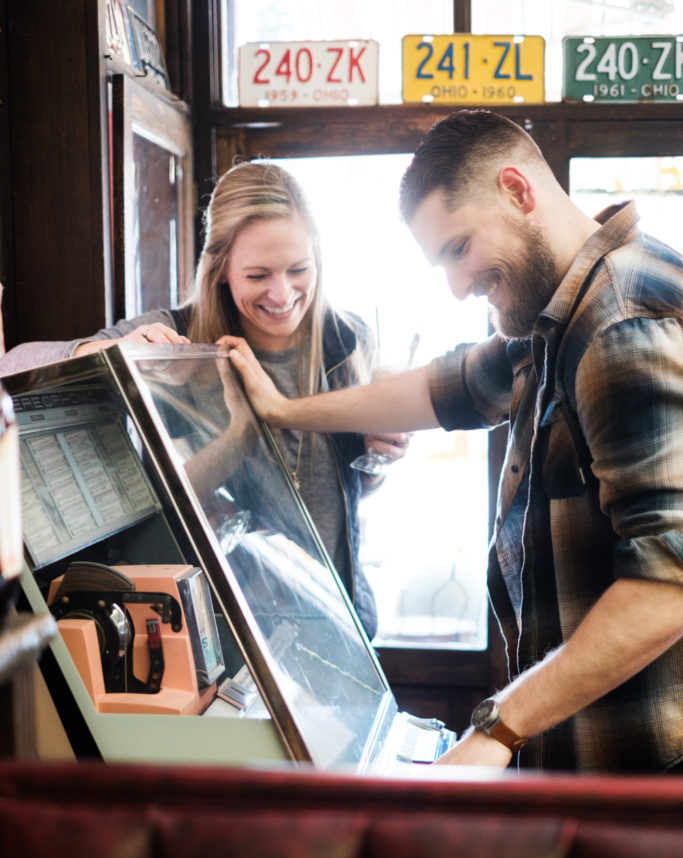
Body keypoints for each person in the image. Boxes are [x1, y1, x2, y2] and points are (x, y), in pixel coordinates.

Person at [225, 109, 683, 775]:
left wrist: (496, 731)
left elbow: (666, 582)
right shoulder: (564, 307)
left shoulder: (618, 327)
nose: (457, 285)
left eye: (458, 249)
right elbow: (450, 388)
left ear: (517, 191)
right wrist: (283, 409)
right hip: (586, 760)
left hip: (641, 779)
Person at [0, 161, 410, 638]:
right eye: (258, 275)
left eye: (299, 269)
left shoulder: (350, 339)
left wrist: (381, 456)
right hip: (232, 634)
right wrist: (116, 351)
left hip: (343, 619)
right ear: (220, 271)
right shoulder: (179, 338)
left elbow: (343, 496)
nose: (283, 294)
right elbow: (13, 366)